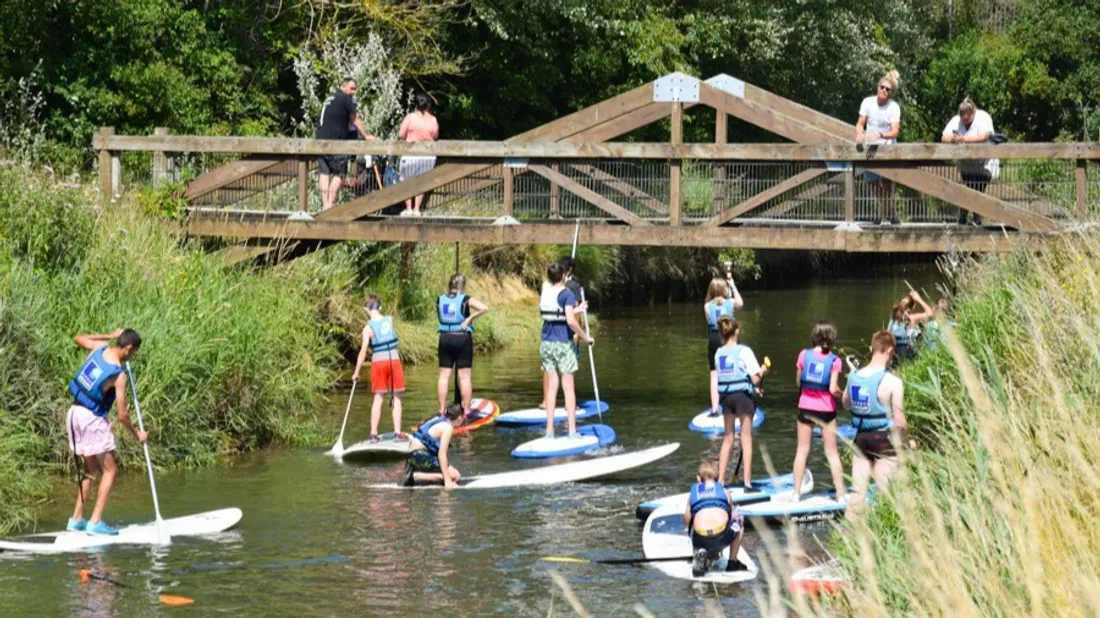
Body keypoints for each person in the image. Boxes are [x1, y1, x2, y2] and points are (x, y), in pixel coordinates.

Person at [66, 329, 147, 535]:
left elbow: (79, 337)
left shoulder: (99, 348)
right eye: (133, 353)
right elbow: (122, 415)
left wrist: (110, 336)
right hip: (91, 419)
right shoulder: (118, 374)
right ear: (129, 349)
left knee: (91, 469)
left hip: (74, 414)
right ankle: (95, 522)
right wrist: (138, 434)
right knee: (111, 471)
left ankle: (76, 519)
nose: (132, 357)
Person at [843, 331, 910, 512]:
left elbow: (846, 404)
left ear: (871, 348)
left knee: (857, 494)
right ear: (889, 351)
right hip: (884, 441)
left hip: (861, 440)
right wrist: (906, 444)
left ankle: (850, 538)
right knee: (885, 495)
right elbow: (900, 421)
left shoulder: (853, 377)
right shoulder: (894, 382)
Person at [710, 316, 768, 487]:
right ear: (736, 331)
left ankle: (720, 480)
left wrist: (753, 387)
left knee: (728, 437)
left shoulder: (718, 353)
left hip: (726, 399)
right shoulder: (744, 351)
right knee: (746, 438)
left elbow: (731, 376)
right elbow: (755, 378)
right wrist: (764, 370)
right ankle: (747, 483)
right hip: (743, 399)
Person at [791, 321, 846, 500]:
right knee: (831, 452)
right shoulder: (835, 360)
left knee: (802, 451)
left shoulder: (803, 355)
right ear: (831, 340)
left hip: (805, 406)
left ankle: (796, 493)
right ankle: (840, 494)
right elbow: (832, 389)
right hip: (826, 410)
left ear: (813, 337)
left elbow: (799, 382)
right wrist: (843, 393)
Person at [540, 261, 593, 439]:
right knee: (568, 387)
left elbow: (559, 313)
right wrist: (586, 337)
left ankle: (549, 431)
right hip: (563, 343)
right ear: (564, 276)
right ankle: (572, 431)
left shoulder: (546, 291)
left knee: (552, 387)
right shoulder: (567, 293)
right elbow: (570, 321)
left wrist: (578, 308)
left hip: (546, 343)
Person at [316, 78, 377, 212]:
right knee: (340, 173)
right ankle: (329, 205)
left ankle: (324, 204)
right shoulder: (345, 99)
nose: (353, 92)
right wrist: (366, 136)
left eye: (355, 89)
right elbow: (354, 119)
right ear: (342, 87)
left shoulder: (329, 99)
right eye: (351, 88)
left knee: (324, 172)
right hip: (336, 143)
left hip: (320, 142)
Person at [351, 293, 406, 441]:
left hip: (379, 362)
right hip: (394, 359)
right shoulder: (390, 320)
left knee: (378, 398)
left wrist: (356, 372)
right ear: (380, 307)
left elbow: (363, 352)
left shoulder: (367, 329)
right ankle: (397, 432)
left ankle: (374, 434)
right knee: (396, 397)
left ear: (365, 309)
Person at [436, 274, 489, 418]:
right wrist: (469, 319)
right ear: (462, 286)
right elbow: (484, 308)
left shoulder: (440, 299)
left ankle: (441, 411)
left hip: (445, 338)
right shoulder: (465, 299)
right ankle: (466, 412)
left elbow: (440, 317)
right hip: (462, 338)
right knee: (464, 377)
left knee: (443, 376)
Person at [854, 70, 902, 225]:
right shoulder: (867, 102)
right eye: (882, 87)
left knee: (887, 184)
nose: (884, 91)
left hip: (887, 149)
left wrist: (880, 135)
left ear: (891, 93)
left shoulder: (894, 107)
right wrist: (860, 134)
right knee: (873, 184)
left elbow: (895, 131)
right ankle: (889, 211)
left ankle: (885, 217)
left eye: (888, 89)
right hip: (870, 149)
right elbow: (860, 123)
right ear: (877, 87)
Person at [942, 97, 999, 226]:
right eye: (963, 119)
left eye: (968, 120)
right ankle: (967, 217)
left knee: (977, 189)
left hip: (984, 163)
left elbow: (985, 136)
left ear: (973, 113)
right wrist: (953, 139)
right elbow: (944, 136)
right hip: (966, 164)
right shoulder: (956, 121)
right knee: (969, 189)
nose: (965, 123)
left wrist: (964, 139)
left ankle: (973, 217)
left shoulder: (983, 117)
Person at [684, 461, 747, 576]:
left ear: (698, 479)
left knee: (692, 523)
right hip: (721, 535)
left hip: (700, 538)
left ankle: (702, 554)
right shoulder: (724, 491)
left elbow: (686, 520)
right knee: (739, 518)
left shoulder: (693, 494)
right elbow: (730, 514)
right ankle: (732, 561)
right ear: (718, 478)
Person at [398, 93, 440, 216]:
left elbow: (401, 134)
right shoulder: (433, 120)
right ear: (428, 105)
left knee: (407, 181)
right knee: (421, 182)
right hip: (427, 155)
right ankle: (417, 209)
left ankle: (409, 208)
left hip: (410, 154)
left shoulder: (410, 117)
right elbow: (435, 136)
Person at [401, 403, 463, 488]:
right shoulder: (448, 428)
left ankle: (416, 473)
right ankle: (416, 476)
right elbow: (442, 455)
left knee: (448, 471)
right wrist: (447, 480)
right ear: (459, 418)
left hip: (411, 456)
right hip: (419, 455)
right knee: (455, 476)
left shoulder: (438, 419)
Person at [704, 274, 744, 386]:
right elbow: (740, 304)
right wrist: (733, 286)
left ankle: (715, 401)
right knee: (735, 364)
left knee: (714, 373)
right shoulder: (730, 302)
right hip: (729, 336)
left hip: (714, 338)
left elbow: (709, 322)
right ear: (724, 289)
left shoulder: (707, 306)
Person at [888, 290, 933, 363]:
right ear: (913, 306)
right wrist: (919, 299)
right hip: (909, 351)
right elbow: (930, 313)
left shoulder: (894, 317)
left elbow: (888, 334)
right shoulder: (913, 317)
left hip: (895, 351)